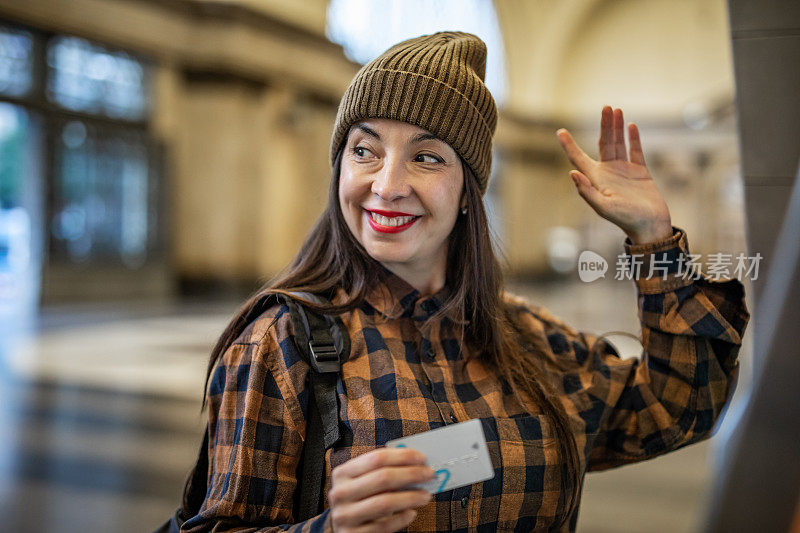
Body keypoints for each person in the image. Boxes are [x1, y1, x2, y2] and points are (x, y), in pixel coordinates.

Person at [177, 31, 750, 532]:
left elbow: (676, 408)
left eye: (427, 158)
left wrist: (654, 240)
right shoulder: (280, 347)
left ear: (468, 193)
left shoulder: (522, 335)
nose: (387, 185)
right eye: (364, 150)